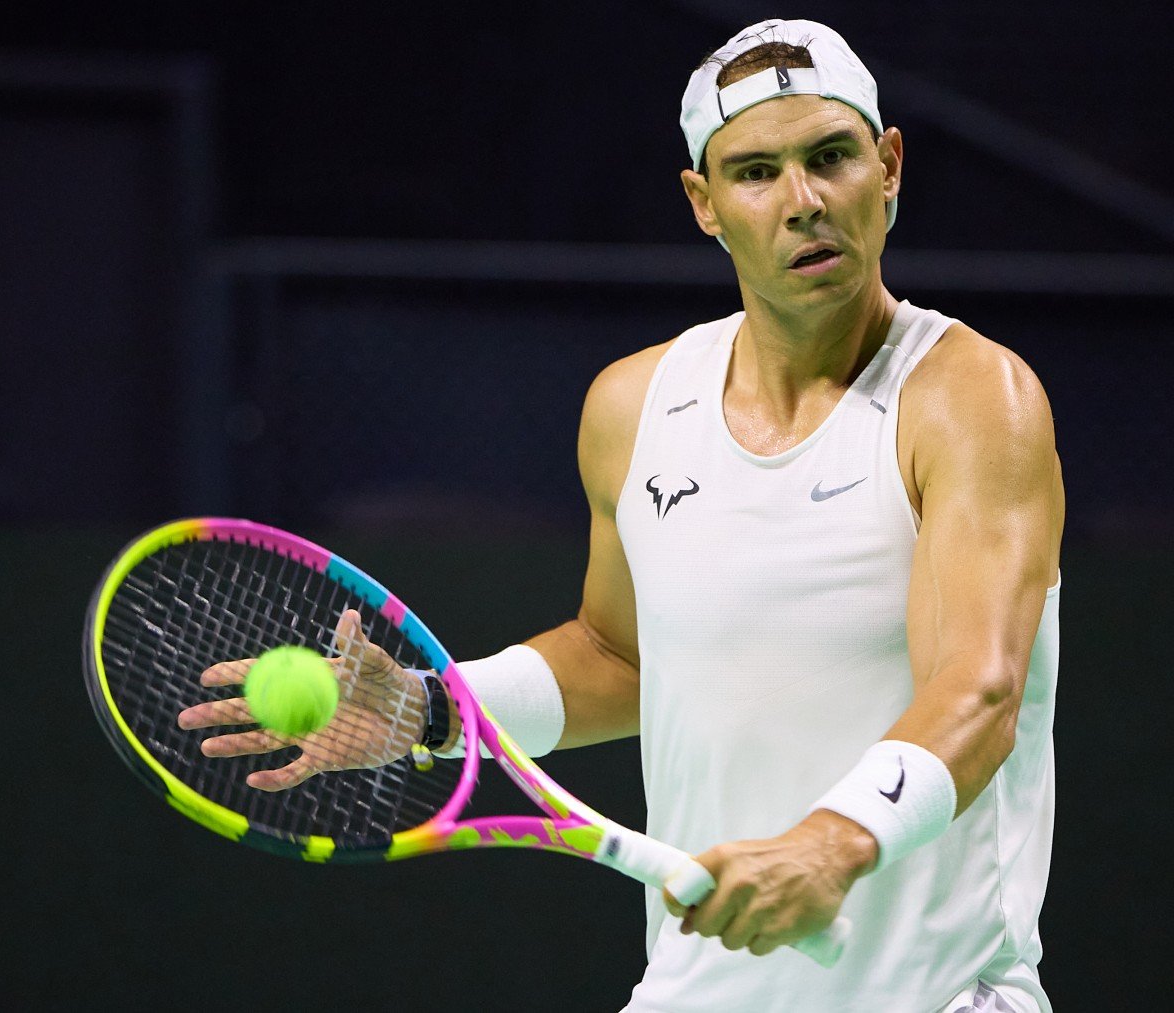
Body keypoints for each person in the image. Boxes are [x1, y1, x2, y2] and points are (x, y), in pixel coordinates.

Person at [184, 18, 1064, 1013]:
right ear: (704, 203)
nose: (804, 201)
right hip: (696, 989)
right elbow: (620, 658)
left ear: (889, 165)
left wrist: (833, 840)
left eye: (831, 158)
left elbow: (980, 692)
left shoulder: (971, 399)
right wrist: (430, 707)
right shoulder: (635, 408)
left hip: (936, 995)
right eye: (757, 172)